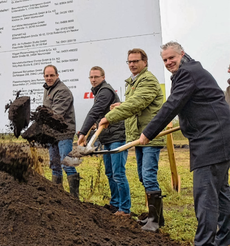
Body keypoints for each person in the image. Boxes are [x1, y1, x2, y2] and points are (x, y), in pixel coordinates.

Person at [139, 41, 230, 246]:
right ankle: (224, 239)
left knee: (205, 195)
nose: (169, 62)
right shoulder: (193, 70)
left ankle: (205, 243)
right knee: (221, 192)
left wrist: (148, 132)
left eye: (172, 57)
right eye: (165, 60)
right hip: (219, 138)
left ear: (182, 54)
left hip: (212, 141)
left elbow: (172, 103)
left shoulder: (187, 72)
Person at [99, 48, 165, 231]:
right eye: (129, 62)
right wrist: (122, 105)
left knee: (149, 177)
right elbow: (135, 103)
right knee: (144, 177)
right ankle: (157, 217)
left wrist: (110, 117)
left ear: (145, 62)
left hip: (150, 135)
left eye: (136, 61)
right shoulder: (133, 82)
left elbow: (137, 103)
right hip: (139, 137)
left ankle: (155, 221)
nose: (132, 64)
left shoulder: (149, 80)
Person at [77, 66, 130, 217]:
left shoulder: (105, 91)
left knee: (118, 173)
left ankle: (125, 209)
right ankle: (115, 204)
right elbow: (101, 115)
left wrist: (82, 132)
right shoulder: (99, 91)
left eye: (96, 77)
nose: (93, 80)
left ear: (103, 77)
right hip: (107, 137)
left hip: (117, 136)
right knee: (110, 172)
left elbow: (95, 111)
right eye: (91, 77)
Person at [42, 64, 80, 199]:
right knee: (54, 165)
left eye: (52, 75)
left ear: (57, 76)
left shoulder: (62, 91)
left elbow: (56, 114)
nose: (49, 78)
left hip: (64, 133)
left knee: (67, 163)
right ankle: (58, 199)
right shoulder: (48, 90)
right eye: (46, 75)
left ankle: (74, 198)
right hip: (52, 133)